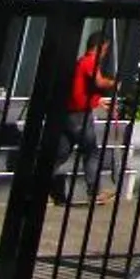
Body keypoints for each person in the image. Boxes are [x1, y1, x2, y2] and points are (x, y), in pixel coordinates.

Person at [51, 34, 119, 205]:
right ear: (100, 47)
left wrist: (97, 101)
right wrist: (113, 83)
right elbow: (99, 82)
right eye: (105, 49)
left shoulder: (80, 62)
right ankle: (94, 191)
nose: (105, 53)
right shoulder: (90, 61)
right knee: (91, 151)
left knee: (61, 153)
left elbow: (81, 90)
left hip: (68, 112)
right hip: (79, 114)